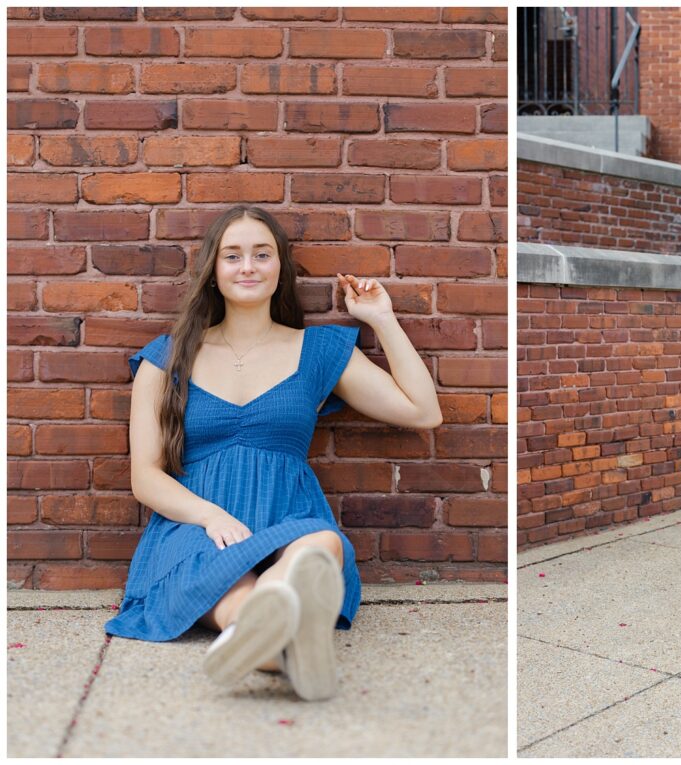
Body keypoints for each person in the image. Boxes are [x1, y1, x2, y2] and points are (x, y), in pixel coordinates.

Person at [105, 205, 442, 700]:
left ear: (279, 268)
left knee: (322, 546)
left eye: (262, 255)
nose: (247, 266)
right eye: (233, 255)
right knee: (222, 582)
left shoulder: (318, 350)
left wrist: (381, 319)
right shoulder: (167, 357)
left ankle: (266, 639)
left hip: (287, 513)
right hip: (196, 524)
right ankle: (279, 640)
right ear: (213, 272)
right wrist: (210, 516)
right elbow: (145, 476)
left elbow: (422, 411)